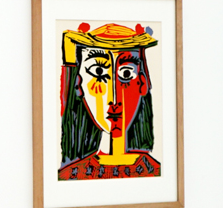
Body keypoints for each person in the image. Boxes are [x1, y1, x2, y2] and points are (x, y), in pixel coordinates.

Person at [57, 22, 161, 180]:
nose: (113, 99)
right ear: (79, 83)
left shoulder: (156, 172)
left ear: (142, 84)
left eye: (126, 74)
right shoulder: (69, 175)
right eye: (98, 72)